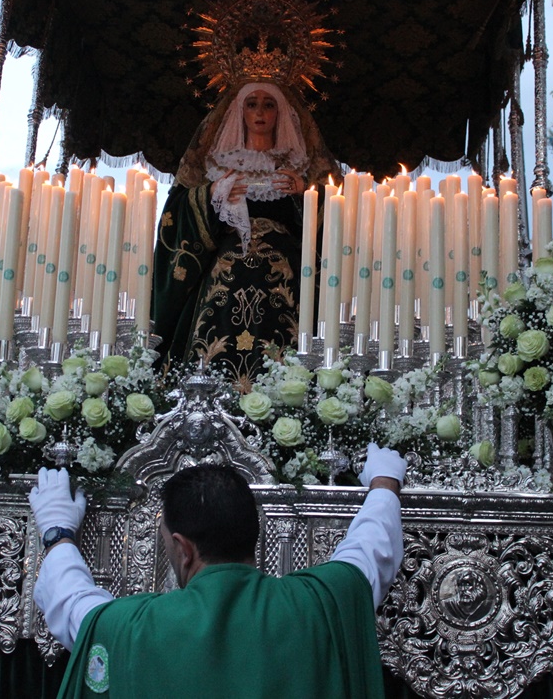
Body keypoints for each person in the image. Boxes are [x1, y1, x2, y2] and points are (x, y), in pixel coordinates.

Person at [31, 443, 405, 698]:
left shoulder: (134, 628)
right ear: (254, 535)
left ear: (183, 549)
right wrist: (385, 482)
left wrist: (58, 532)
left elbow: (73, 602)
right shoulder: (319, 603)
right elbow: (370, 552)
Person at [151, 80, 337, 385]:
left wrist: (305, 195)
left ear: (282, 113)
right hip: (222, 281)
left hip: (286, 283)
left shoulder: (300, 168)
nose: (260, 112)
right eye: (252, 104)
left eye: (268, 104)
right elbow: (176, 213)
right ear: (240, 112)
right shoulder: (215, 166)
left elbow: (333, 222)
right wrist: (211, 193)